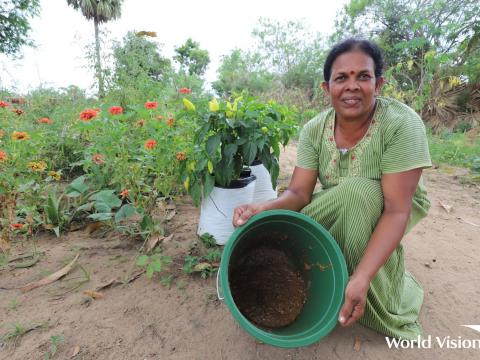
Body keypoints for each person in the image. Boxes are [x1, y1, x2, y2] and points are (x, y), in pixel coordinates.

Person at [232, 38, 432, 340]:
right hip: (339, 198)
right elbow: (299, 194)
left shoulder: (401, 124)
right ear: (327, 89)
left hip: (390, 203)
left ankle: (362, 285)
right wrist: (261, 209)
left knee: (357, 194)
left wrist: (363, 277)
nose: (352, 86)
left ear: (378, 84)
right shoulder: (315, 128)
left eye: (363, 76)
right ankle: (326, 275)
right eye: (341, 78)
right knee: (288, 229)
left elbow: (396, 210)